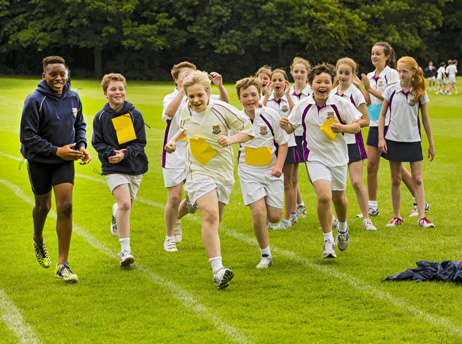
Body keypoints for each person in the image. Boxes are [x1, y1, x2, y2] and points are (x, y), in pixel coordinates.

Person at [164, 71, 254, 290]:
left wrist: (231, 138)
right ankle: (218, 270)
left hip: (222, 172)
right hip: (197, 170)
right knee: (211, 215)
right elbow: (185, 128)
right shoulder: (185, 110)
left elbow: (248, 130)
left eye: (199, 96)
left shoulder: (223, 109)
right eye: (191, 96)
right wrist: (174, 141)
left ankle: (191, 203)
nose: (195, 101)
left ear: (208, 92)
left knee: (217, 217)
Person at [20, 56, 91, 283]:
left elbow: (79, 125)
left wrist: (81, 146)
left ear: (66, 73)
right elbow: (27, 136)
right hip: (40, 161)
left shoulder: (73, 97)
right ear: (44, 76)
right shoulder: (34, 100)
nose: (59, 78)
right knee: (43, 207)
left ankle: (63, 264)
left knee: (66, 207)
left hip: (64, 161)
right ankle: (38, 238)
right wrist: (55, 150)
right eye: (53, 75)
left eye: (62, 74)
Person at [282, 63, 361, 258]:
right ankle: (328, 241)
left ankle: (342, 227)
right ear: (311, 84)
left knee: (339, 198)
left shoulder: (340, 103)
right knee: (324, 196)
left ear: (331, 84)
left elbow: (357, 126)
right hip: (314, 157)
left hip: (338, 158)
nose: (323, 85)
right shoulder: (303, 105)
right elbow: (291, 128)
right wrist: (285, 125)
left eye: (327, 81)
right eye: (318, 82)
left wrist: (342, 128)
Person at [162, 62, 230, 252]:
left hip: (199, 151)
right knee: (174, 197)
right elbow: (169, 113)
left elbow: (224, 104)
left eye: (191, 74)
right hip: (174, 151)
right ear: (176, 80)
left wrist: (219, 86)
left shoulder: (201, 94)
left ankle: (176, 218)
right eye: (184, 75)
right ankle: (169, 237)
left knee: (193, 199)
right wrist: (184, 91)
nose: (188, 77)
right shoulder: (171, 97)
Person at [361, 42, 427, 218]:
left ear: (387, 57)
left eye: (378, 54)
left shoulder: (392, 74)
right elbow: (368, 102)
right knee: (371, 166)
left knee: (399, 170)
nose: (374, 56)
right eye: (372, 53)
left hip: (391, 124)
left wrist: (369, 88)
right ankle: (372, 206)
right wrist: (360, 88)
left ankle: (419, 202)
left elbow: (387, 97)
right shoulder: (369, 74)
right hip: (375, 123)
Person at [92, 73, 148, 266]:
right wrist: (110, 153)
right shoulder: (100, 117)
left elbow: (140, 143)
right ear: (105, 93)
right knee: (125, 204)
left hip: (134, 166)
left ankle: (116, 212)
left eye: (121, 88)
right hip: (112, 167)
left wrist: (125, 154)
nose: (118, 92)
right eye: (113, 89)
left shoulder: (135, 114)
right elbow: (96, 142)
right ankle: (125, 251)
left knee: (125, 206)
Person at [235, 76, 288, 268]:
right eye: (245, 95)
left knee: (274, 217)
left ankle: (266, 213)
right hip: (248, 172)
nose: (250, 99)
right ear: (240, 98)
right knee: (258, 212)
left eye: (253, 95)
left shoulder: (271, 114)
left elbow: (283, 143)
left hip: (271, 171)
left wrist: (279, 167)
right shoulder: (237, 119)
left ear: (260, 95)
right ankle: (265, 255)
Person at [378, 56, 435, 228]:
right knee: (395, 179)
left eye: (404, 71)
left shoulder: (420, 92)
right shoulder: (391, 90)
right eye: (399, 71)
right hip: (392, 140)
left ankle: (422, 217)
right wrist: (381, 138)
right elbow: (382, 115)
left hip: (413, 140)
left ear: (413, 72)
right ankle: (396, 217)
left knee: (417, 178)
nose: (401, 74)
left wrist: (431, 143)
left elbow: (425, 120)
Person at [333, 57, 376, 231]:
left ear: (353, 74)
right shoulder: (330, 93)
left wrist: (347, 126)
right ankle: (336, 218)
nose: (343, 76)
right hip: (335, 144)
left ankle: (367, 219)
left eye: (347, 73)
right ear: (336, 73)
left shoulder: (355, 94)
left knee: (357, 182)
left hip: (352, 142)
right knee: (336, 184)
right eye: (340, 72)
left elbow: (366, 120)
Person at [263, 69, 297, 229]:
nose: (277, 83)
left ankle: (288, 218)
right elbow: (258, 113)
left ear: (285, 82)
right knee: (268, 180)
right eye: (274, 80)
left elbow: (296, 113)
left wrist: (288, 95)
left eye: (280, 80)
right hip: (269, 146)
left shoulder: (289, 99)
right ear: (270, 83)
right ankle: (270, 216)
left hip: (288, 144)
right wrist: (265, 94)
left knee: (288, 182)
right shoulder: (267, 100)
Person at [289, 57, 312, 220]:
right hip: (291, 138)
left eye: (302, 71)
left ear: (308, 73)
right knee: (291, 177)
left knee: (314, 177)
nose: (299, 74)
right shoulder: (287, 91)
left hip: (309, 138)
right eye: (296, 71)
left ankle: (330, 211)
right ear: (291, 72)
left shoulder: (313, 91)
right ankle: (298, 206)